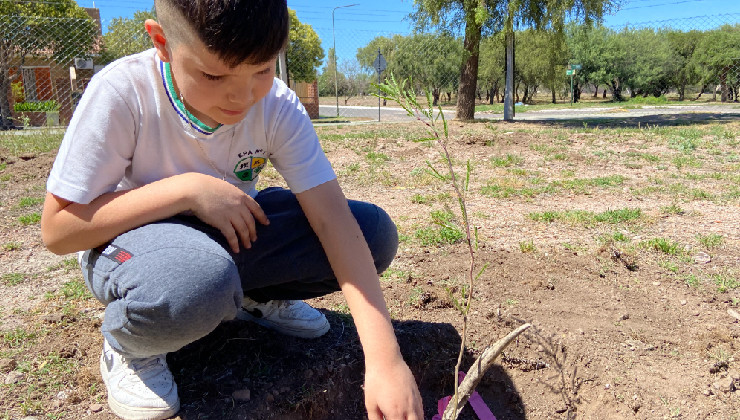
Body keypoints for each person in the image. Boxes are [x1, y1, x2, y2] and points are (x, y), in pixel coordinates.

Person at [40, 1, 423, 419]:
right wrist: (186, 191)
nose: (242, 96)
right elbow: (59, 230)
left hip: (225, 234)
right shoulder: (124, 92)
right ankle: (128, 345)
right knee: (197, 281)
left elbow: (333, 218)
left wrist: (386, 359)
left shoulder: (276, 104)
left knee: (372, 234)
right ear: (162, 42)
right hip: (136, 247)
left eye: (262, 68)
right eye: (213, 74)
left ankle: (253, 297)